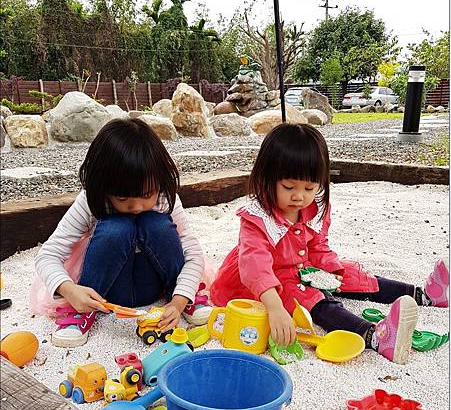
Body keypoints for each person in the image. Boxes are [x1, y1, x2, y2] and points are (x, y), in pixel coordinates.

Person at [210, 123, 449, 365]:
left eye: (309, 188)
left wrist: (333, 272)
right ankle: (375, 337)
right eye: (288, 187)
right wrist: (274, 307)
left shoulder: (313, 209)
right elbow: (255, 265)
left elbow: (318, 247)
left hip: (305, 267)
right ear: (266, 178)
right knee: (314, 300)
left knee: (352, 277)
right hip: (269, 282)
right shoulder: (257, 218)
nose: (299, 196)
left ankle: (425, 295)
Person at [32, 117, 211, 348]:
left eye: (147, 195)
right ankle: (84, 312)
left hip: (157, 285)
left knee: (156, 223)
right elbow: (47, 255)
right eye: (123, 198)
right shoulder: (92, 200)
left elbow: (193, 252)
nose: (136, 206)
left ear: (159, 181)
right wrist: (71, 292)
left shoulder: (165, 198)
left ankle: (186, 298)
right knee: (117, 227)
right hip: (105, 293)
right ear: (103, 186)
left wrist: (178, 301)